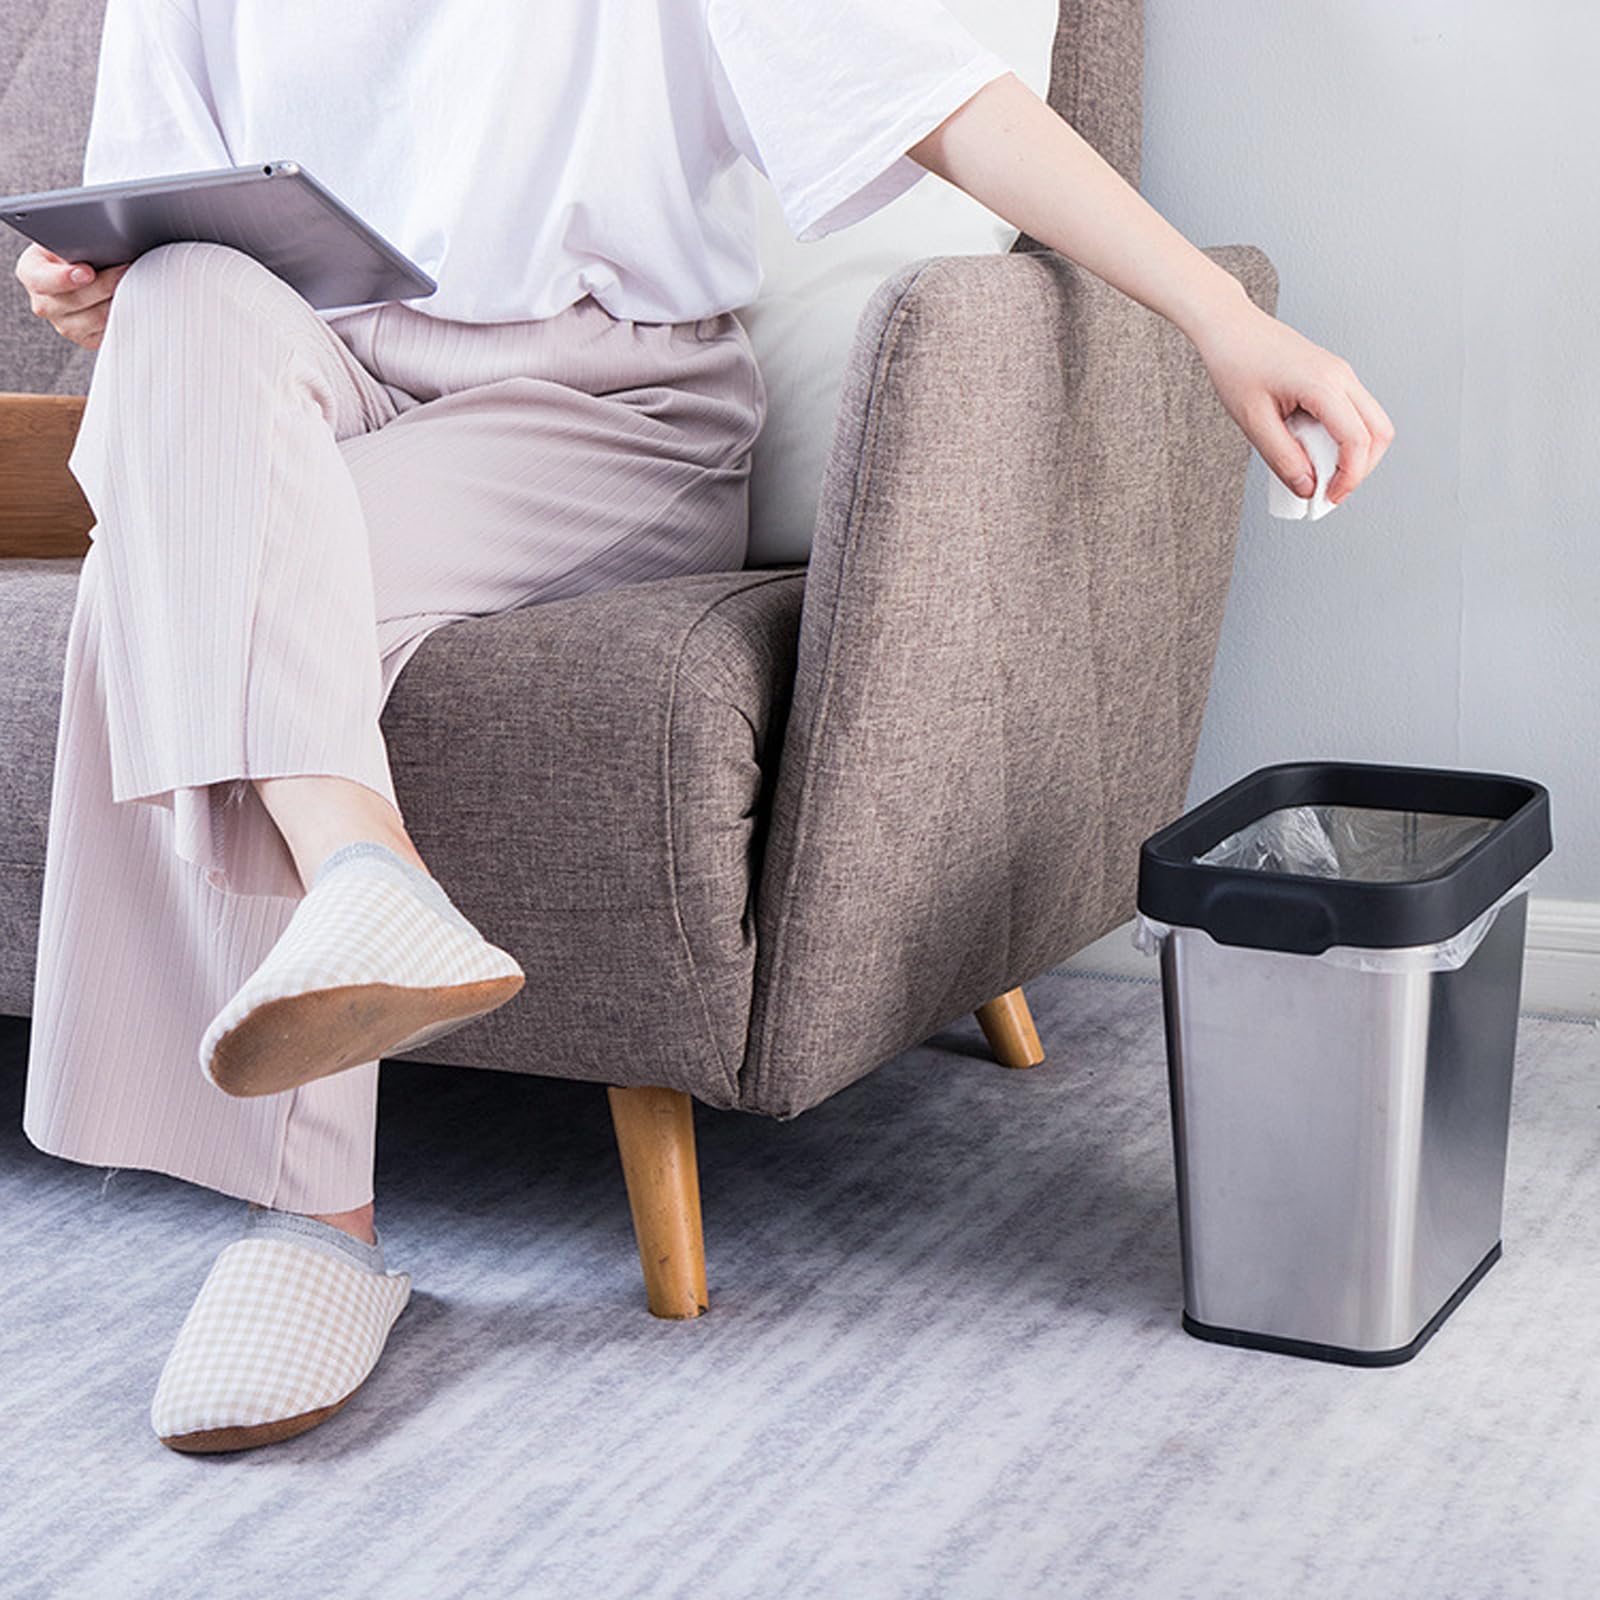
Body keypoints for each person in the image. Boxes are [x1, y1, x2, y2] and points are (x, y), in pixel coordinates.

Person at [14, 0, 1392, 1457]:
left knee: (164, 582)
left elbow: (935, 97)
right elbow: (145, 225)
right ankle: (366, 881)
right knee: (179, 308)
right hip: (314, 380)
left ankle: (311, 1227)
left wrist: (1222, 318)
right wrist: (89, 288)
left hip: (605, 406)